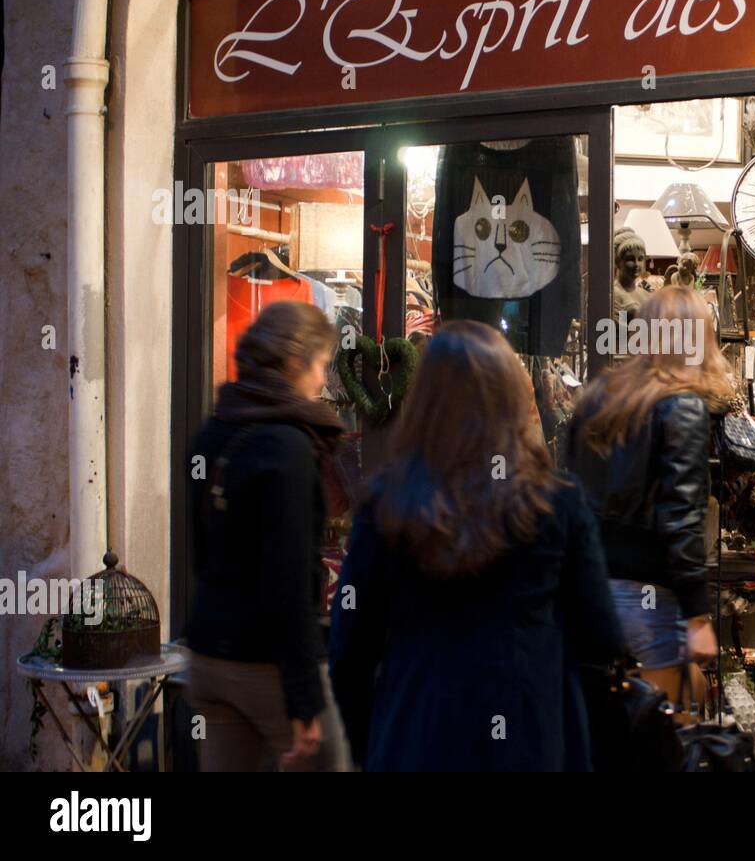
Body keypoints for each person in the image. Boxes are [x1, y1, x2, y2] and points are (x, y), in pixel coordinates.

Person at [329, 321, 623, 771]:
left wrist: (370, 740)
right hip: (529, 739)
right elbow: (600, 640)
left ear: (424, 403)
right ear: (511, 400)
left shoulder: (387, 506)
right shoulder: (556, 505)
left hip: (418, 738)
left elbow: (350, 653)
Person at [186, 300, 348, 772]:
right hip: (267, 666)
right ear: (296, 362)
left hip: (211, 658)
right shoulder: (287, 448)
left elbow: (203, 551)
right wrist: (303, 697)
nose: (322, 380)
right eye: (320, 364)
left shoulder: (215, 433)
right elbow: (290, 580)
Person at [566, 286, 730, 707]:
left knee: (605, 731)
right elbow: (682, 515)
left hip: (589, 588)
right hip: (650, 595)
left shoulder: (598, 398)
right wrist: (697, 616)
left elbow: (570, 489)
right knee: (657, 738)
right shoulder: (683, 407)